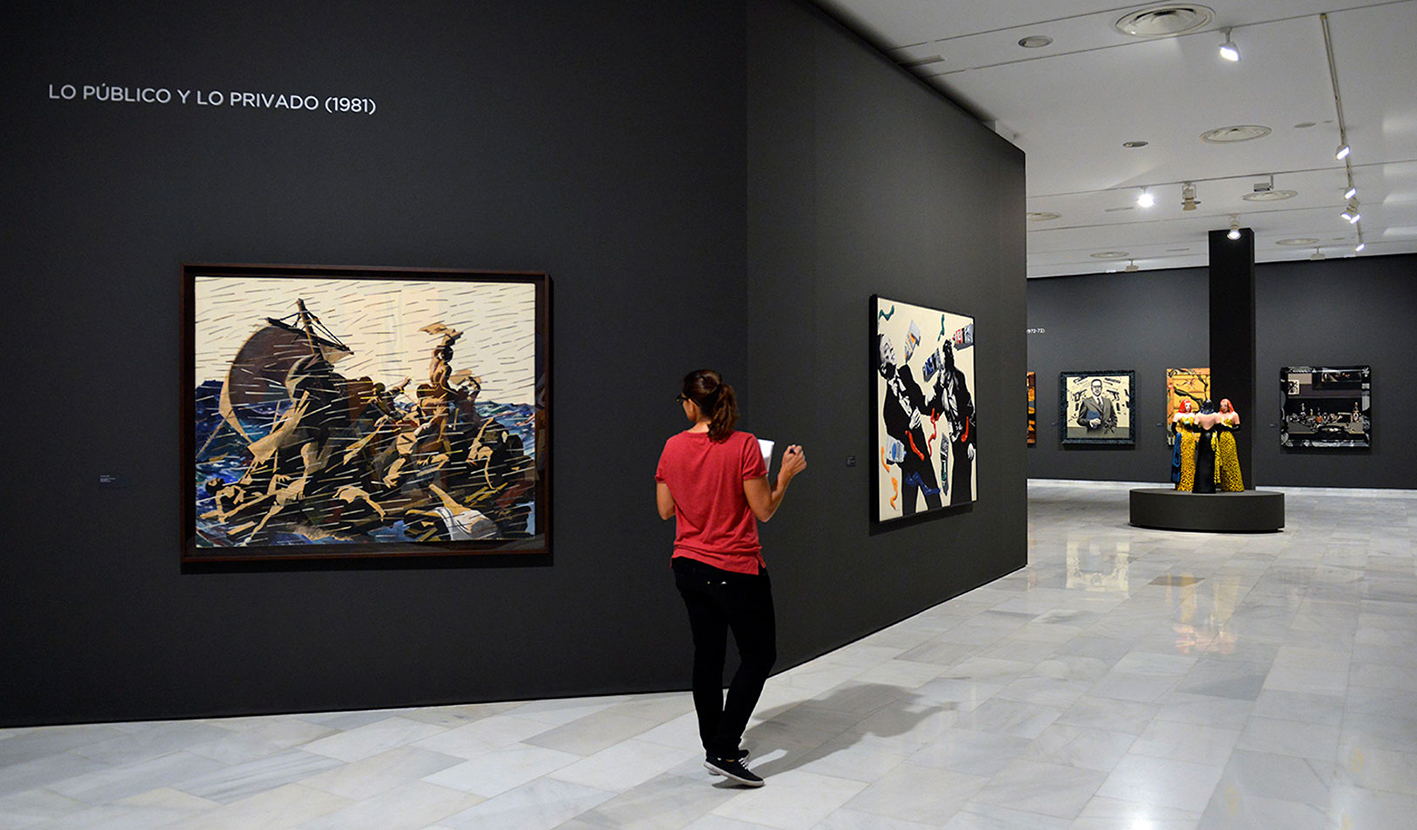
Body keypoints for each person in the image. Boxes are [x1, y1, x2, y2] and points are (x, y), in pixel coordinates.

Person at [655, 369, 806, 788]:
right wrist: (786, 474)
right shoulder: (743, 445)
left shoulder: (672, 446)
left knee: (708, 657)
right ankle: (723, 749)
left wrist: (696, 491)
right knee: (759, 656)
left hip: (688, 565)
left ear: (690, 403)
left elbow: (665, 510)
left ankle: (715, 745)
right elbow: (764, 510)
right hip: (735, 568)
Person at [878, 334, 943, 516]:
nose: (891, 349)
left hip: (923, 459)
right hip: (908, 468)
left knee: (936, 505)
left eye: (890, 345)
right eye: (886, 350)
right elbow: (894, 453)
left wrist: (938, 388)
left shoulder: (905, 374)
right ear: (882, 367)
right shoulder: (887, 408)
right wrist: (909, 426)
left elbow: (923, 405)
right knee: (909, 511)